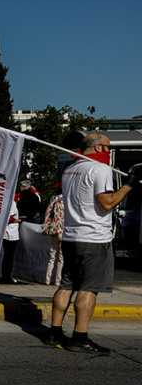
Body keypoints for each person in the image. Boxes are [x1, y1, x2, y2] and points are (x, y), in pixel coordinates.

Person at [48, 133, 138, 353]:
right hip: (94, 238)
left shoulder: (70, 169)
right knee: (89, 289)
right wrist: (129, 185)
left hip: (71, 236)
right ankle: (80, 337)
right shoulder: (101, 169)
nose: (109, 152)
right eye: (108, 148)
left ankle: (55, 332)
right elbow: (107, 203)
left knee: (66, 285)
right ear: (98, 148)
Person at [41, 193, 65, 285]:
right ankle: (58, 280)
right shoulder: (68, 200)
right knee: (61, 258)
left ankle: (47, 279)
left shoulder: (54, 200)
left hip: (54, 229)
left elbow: (48, 213)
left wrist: (46, 225)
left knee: (52, 256)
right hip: (63, 229)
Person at [0, 200, 20, 283]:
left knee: (7, 256)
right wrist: (19, 220)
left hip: (7, 232)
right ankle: (6, 277)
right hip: (10, 233)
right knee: (9, 257)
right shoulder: (12, 202)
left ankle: (6, 276)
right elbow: (10, 218)